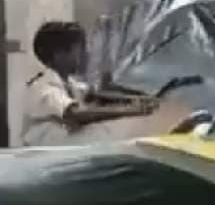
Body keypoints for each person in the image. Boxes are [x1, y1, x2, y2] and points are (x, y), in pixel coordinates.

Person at [21, 21, 154, 147]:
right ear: (59, 55)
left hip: (63, 155)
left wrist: (137, 98)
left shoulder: (69, 83)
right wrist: (132, 110)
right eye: (78, 51)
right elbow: (75, 113)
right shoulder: (43, 87)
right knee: (107, 132)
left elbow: (94, 93)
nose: (84, 55)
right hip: (45, 159)